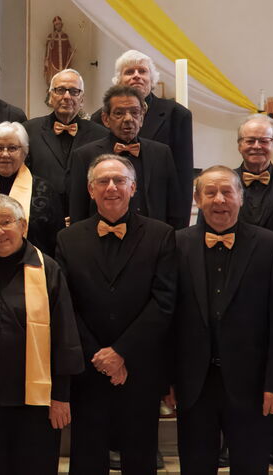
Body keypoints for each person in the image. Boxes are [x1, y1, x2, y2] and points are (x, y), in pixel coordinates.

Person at [55, 155, 178, 475]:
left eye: (119, 180)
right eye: (103, 181)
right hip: (89, 367)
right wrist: (99, 355)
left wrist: (121, 352)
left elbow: (164, 301)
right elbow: (66, 306)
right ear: (90, 189)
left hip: (140, 368)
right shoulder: (68, 238)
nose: (111, 187)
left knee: (140, 459)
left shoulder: (161, 235)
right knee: (87, 459)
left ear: (133, 187)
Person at [171, 166, 273, 473]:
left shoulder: (272, 246)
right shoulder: (175, 244)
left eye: (227, 191)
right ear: (197, 199)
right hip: (194, 384)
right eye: (210, 192)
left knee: (251, 466)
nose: (219, 199)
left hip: (253, 385)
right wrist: (168, 380)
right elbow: (168, 319)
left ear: (241, 197)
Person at [0, 194, 83, 474]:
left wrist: (61, 396)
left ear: (24, 226)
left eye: (6, 222)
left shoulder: (47, 268)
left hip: (36, 402)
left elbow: (65, 334)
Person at [68, 85, 187, 229]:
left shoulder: (161, 153)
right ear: (106, 119)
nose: (128, 119)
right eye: (119, 113)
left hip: (153, 238)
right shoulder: (84, 156)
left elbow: (174, 209)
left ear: (142, 118)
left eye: (135, 112)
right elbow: (78, 214)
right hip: (103, 237)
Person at [92, 50, 194, 196]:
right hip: (112, 198)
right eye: (129, 72)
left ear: (152, 79)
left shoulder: (177, 114)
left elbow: (183, 175)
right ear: (118, 81)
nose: (136, 75)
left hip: (156, 200)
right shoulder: (100, 118)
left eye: (142, 71)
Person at [199, 114, 273, 239]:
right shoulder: (215, 184)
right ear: (239, 146)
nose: (256, 146)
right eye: (250, 141)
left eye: (264, 141)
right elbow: (203, 231)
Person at [0, 122, 63, 256]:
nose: (5, 154)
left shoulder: (44, 190)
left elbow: (56, 240)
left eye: (12, 148)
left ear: (24, 153)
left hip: (33, 265)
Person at [23, 68, 106, 207]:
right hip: (41, 212)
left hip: (84, 213)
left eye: (74, 91)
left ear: (82, 99)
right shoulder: (28, 130)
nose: (67, 96)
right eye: (60, 90)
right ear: (50, 96)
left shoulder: (100, 135)